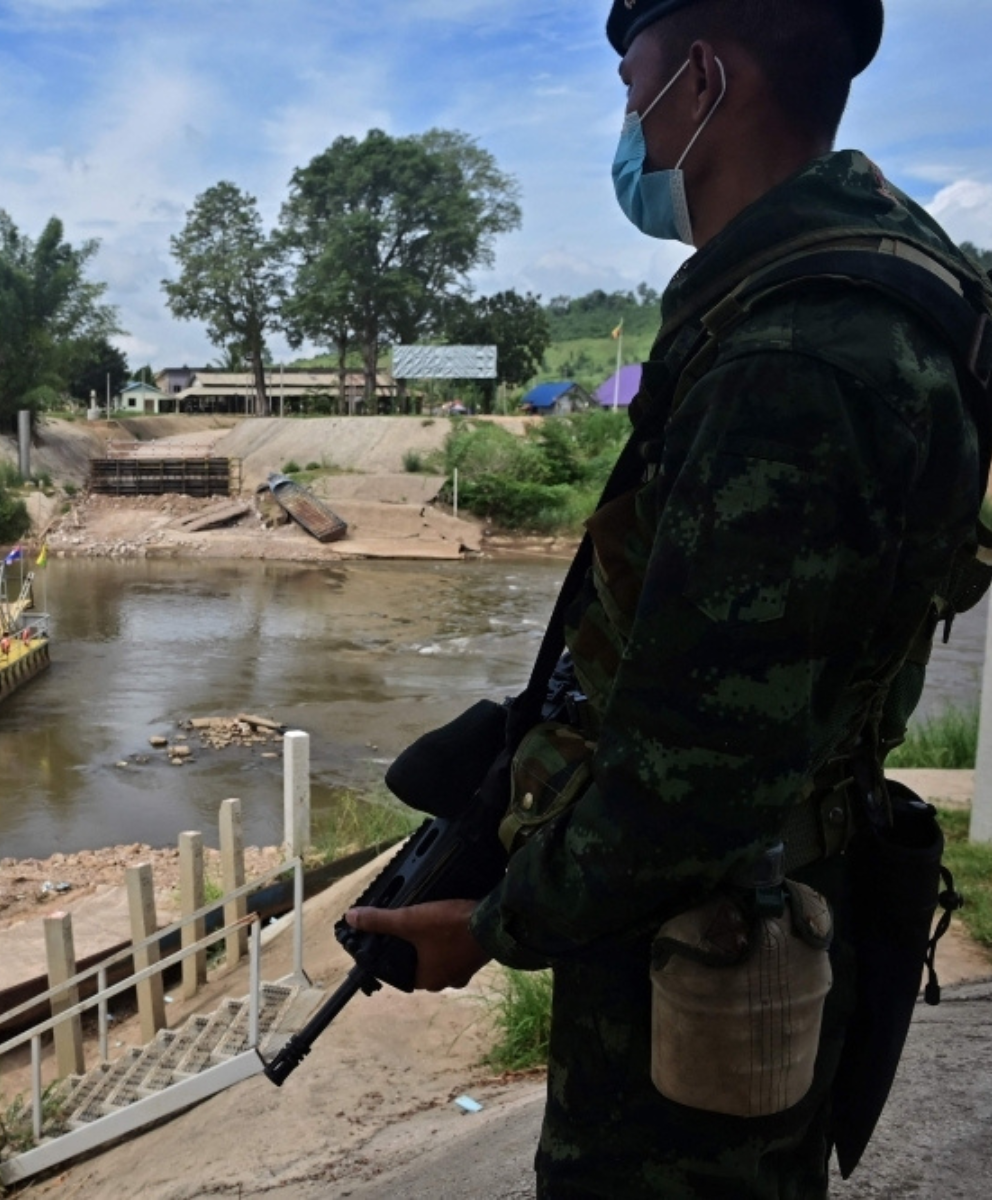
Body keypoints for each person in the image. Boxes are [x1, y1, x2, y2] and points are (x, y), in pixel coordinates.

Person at [346, 1, 991, 1195]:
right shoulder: (869, 288)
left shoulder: (793, 357)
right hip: (768, 905)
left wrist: (492, 928)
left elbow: (697, 769)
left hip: (708, 954)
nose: (626, 126)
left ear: (697, 81)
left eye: (629, 88)